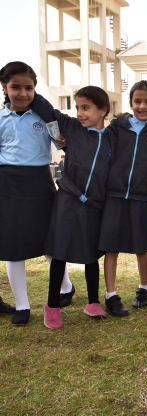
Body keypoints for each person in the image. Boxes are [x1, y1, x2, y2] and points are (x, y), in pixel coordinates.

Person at [30, 88, 112, 328]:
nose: (79, 113)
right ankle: (52, 305)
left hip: (94, 204)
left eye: (85, 108)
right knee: (60, 251)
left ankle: (93, 302)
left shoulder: (113, 136)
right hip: (68, 200)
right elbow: (47, 111)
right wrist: (28, 90)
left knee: (91, 253)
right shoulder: (72, 127)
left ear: (103, 110)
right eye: (77, 108)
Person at [0, 61, 73, 325]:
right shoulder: (0, 119)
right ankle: (22, 305)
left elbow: (63, 142)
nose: (23, 93)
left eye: (29, 88)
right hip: (8, 186)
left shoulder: (44, 118)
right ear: (4, 87)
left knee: (50, 241)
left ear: (35, 89)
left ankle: (66, 286)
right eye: (15, 87)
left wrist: (53, 122)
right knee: (13, 247)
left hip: (40, 183)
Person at [99, 81, 147, 317]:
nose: (143, 106)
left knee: (141, 244)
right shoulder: (116, 127)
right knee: (111, 246)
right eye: (138, 101)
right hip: (113, 195)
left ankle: (144, 288)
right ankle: (111, 294)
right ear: (131, 103)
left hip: (142, 197)